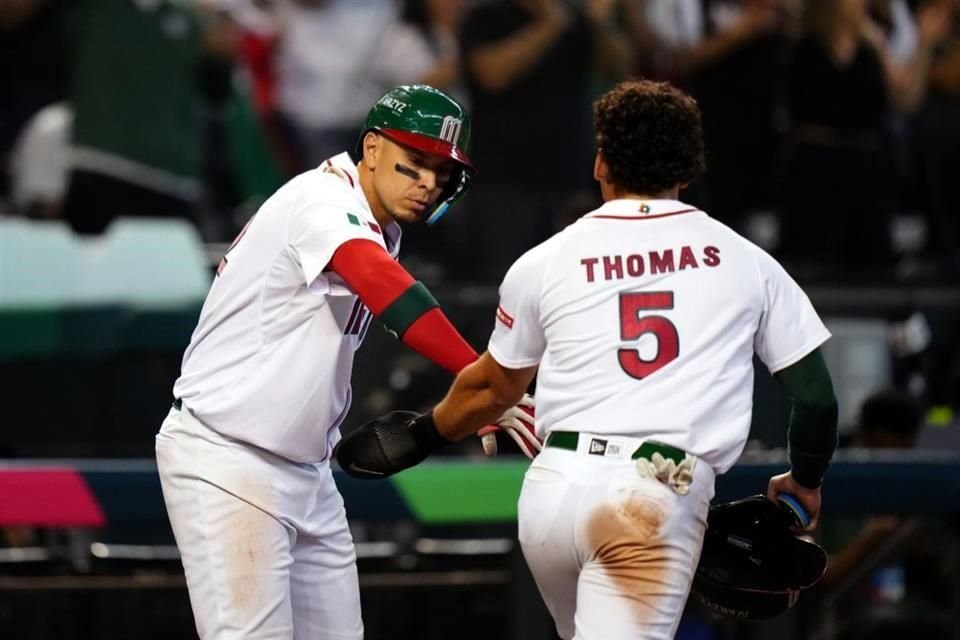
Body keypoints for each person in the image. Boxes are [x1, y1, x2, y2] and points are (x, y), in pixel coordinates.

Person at [335, 79, 840, 640]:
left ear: (601, 164)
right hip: (652, 492)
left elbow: (491, 392)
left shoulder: (545, 260)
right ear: (690, 170)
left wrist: (425, 433)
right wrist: (806, 478)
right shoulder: (747, 261)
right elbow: (816, 398)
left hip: (552, 491)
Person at [155, 84, 536, 640]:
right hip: (227, 455)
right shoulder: (324, 199)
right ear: (373, 149)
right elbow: (387, 288)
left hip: (306, 470)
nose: (428, 183)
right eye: (415, 163)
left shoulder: (381, 223)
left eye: (441, 171)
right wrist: (484, 381)